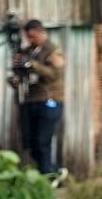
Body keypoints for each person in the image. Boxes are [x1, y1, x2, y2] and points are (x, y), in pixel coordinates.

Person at [11, 19, 66, 180]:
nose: (31, 40)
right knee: (31, 142)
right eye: (28, 37)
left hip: (50, 100)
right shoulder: (27, 51)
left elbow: (54, 74)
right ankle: (53, 172)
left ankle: (47, 176)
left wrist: (31, 65)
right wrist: (15, 78)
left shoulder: (53, 51)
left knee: (43, 140)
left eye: (34, 37)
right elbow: (22, 75)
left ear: (42, 33)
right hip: (31, 100)